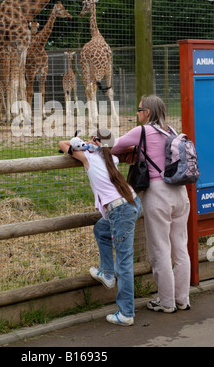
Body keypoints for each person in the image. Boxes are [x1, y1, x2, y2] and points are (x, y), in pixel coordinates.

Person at [111, 95, 191, 313]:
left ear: (147, 112)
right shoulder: (173, 131)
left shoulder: (142, 131)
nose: (137, 114)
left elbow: (113, 146)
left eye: (139, 110)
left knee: (160, 249)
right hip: (181, 193)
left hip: (158, 194)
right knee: (180, 249)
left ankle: (166, 302)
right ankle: (182, 299)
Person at [58, 129, 142, 326]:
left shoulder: (88, 157)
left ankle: (126, 313)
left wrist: (84, 146)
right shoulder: (111, 158)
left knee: (124, 262)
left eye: (90, 138)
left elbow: (63, 144)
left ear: (94, 141)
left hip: (121, 211)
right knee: (101, 230)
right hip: (132, 203)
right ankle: (106, 272)